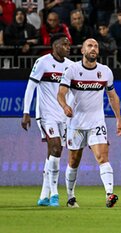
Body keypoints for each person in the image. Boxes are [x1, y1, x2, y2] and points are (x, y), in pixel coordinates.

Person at [57, 38, 121, 208]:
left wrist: (118, 120)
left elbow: (113, 96)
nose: (93, 49)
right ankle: (71, 197)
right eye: (90, 46)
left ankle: (109, 194)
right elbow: (61, 93)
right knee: (73, 161)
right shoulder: (72, 70)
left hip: (96, 122)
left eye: (96, 46)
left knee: (102, 157)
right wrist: (65, 106)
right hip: (76, 123)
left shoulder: (105, 71)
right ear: (82, 50)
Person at [21, 33, 73, 207]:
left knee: (54, 154)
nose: (68, 47)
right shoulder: (42, 62)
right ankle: (55, 195)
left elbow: (73, 93)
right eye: (64, 44)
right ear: (55, 45)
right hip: (46, 114)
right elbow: (31, 86)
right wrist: (26, 112)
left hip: (63, 116)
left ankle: (44, 195)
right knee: (56, 148)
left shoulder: (71, 66)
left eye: (69, 45)